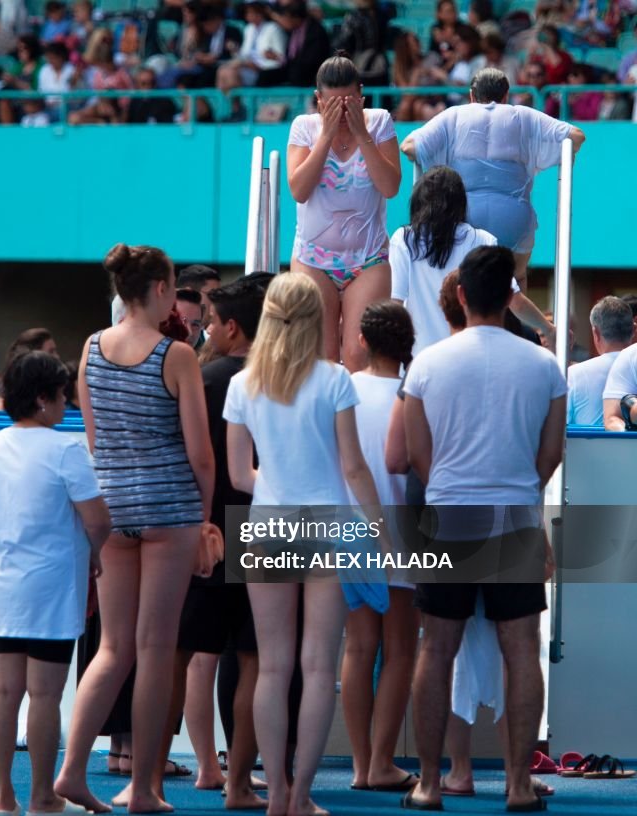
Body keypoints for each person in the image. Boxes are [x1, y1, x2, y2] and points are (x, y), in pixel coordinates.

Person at [401, 245, 566, 813]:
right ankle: (519, 785)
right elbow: (550, 455)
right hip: (515, 515)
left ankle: (428, 782)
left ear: (463, 296)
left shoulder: (427, 364)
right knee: (521, 650)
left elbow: (417, 453)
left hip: (447, 514)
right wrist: (518, 490)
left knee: (436, 648)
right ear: (512, 299)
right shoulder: (544, 366)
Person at [54, 243, 213, 814]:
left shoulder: (92, 347)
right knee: (155, 648)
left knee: (113, 649)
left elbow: (95, 439)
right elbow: (200, 454)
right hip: (170, 511)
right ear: (161, 290)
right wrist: (204, 518)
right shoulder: (176, 355)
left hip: (115, 509)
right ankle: (144, 786)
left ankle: (72, 771)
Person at [225, 272, 385, 816]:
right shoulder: (336, 379)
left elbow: (238, 475)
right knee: (318, 667)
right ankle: (299, 795)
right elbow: (354, 467)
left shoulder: (243, 384)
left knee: (272, 667)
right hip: (327, 522)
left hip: (268, 522)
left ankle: (272, 792)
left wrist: (274, 485)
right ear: (318, 317)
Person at [0, 350, 111, 816]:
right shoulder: (66, 449)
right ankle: (41, 797)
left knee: (5, 692)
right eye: (60, 396)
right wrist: (94, 556)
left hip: (7, 584)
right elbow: (98, 520)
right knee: (46, 695)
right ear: (42, 399)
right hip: (53, 588)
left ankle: (2, 797)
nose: (65, 405)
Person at [175, 275, 268, 809]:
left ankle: (205, 765)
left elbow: (189, 456)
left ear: (232, 327)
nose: (204, 329)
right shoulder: (286, 381)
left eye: (209, 322)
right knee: (257, 659)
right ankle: (239, 776)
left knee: (193, 655)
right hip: (273, 528)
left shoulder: (206, 380)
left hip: (208, 530)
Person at [401, 67, 586, 292]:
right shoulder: (522, 115)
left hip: (465, 217)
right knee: (515, 280)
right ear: (506, 96)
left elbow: (409, 147)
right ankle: (514, 326)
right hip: (514, 218)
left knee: (464, 283)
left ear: (471, 95)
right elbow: (576, 136)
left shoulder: (455, 115)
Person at [341, 300, 420, 794]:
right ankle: (383, 763)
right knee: (399, 651)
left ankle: (359, 764)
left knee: (358, 647)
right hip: (405, 529)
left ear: (363, 341)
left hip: (348, 527)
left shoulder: (341, 389)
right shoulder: (415, 395)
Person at [287, 54, 402, 371]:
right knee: (321, 358)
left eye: (348, 103)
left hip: (367, 259)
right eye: (332, 104)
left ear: (361, 96)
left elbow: (390, 186)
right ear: (318, 99)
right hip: (314, 259)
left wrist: (361, 134)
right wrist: (325, 136)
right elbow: (299, 189)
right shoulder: (304, 128)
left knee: (357, 355)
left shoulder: (379, 122)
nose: (340, 112)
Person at [391, 166, 555, 357]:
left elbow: (395, 303)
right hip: (470, 358)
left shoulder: (403, 240)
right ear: (461, 202)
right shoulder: (482, 240)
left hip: (417, 360)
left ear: (418, 202)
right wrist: (549, 329)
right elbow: (515, 301)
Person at [564, 297, 633, 426]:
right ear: (634, 329)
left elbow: (560, 426)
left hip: (585, 446)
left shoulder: (573, 374)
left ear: (595, 332)